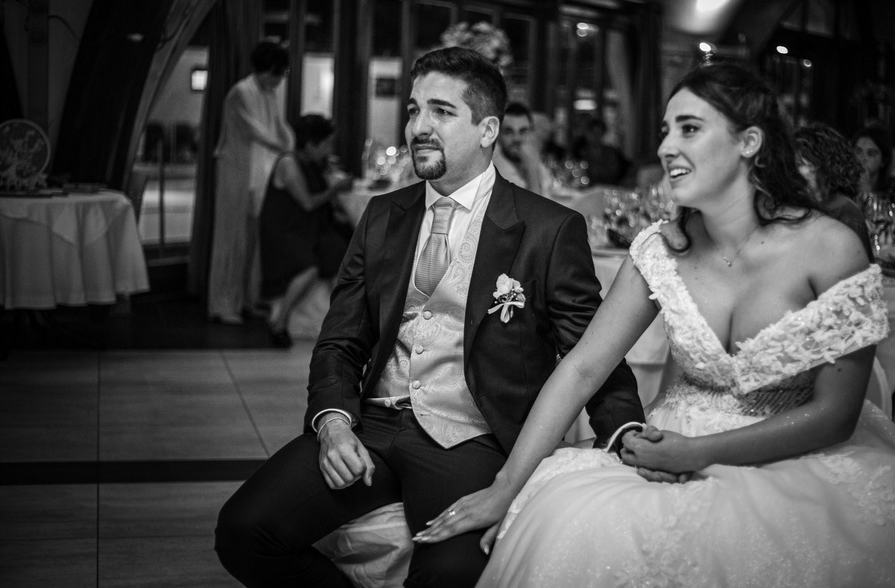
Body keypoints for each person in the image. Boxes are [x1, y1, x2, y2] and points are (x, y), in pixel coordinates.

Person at [411, 64, 895, 587]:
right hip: (669, 441)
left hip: (799, 459)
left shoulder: (831, 248)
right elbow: (582, 368)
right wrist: (506, 486)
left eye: (689, 128)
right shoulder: (660, 249)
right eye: (665, 130)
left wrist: (698, 453)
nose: (667, 146)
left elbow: (835, 413)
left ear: (749, 142)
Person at [214, 46, 644, 587]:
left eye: (441, 111)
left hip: (473, 438)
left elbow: (592, 353)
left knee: (450, 575)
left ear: (487, 130)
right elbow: (339, 342)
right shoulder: (381, 216)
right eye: (415, 109)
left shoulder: (547, 229)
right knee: (243, 531)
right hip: (370, 426)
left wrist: (625, 432)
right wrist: (333, 423)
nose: (419, 126)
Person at [208, 41, 295, 325]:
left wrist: (290, 145)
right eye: (279, 73)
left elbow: (279, 126)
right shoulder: (240, 92)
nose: (280, 79)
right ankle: (222, 304)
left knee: (252, 241)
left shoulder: (268, 92)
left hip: (258, 173)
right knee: (231, 237)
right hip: (236, 171)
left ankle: (247, 299)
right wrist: (285, 148)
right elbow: (256, 131)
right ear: (267, 69)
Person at [258, 114, 354, 348]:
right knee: (310, 269)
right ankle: (280, 322)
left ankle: (342, 322)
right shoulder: (288, 163)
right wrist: (335, 189)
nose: (329, 149)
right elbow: (308, 203)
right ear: (310, 145)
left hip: (304, 228)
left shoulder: (309, 163)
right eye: (326, 144)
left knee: (344, 251)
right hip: (284, 231)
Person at [793, 122, 874, 261]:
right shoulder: (805, 204)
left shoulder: (844, 211)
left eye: (800, 164)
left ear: (821, 167)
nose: (792, 172)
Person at [491, 102, 555, 197]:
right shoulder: (494, 170)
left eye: (523, 131)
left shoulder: (528, 156)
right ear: (498, 135)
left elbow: (549, 190)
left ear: (532, 133)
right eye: (509, 132)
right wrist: (531, 169)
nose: (517, 138)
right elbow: (532, 205)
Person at [853, 123, 895, 210]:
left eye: (871, 154)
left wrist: (867, 193)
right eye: (858, 151)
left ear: (884, 161)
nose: (863, 159)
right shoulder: (844, 186)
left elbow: (894, 218)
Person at [571, 115, 629, 185]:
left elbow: (613, 174)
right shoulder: (579, 152)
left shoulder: (610, 152)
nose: (595, 136)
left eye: (598, 133)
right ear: (586, 133)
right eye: (592, 132)